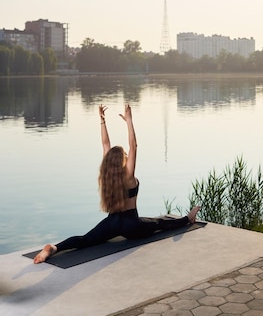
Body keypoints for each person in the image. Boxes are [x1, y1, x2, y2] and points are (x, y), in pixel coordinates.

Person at [34, 104, 200, 264]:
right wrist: (129, 121)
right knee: (160, 223)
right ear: (123, 159)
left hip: (111, 223)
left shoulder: (107, 175)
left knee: (85, 239)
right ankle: (188, 218)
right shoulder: (128, 175)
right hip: (131, 225)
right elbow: (134, 146)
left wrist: (102, 120)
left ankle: (54, 248)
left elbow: (105, 144)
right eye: (125, 154)